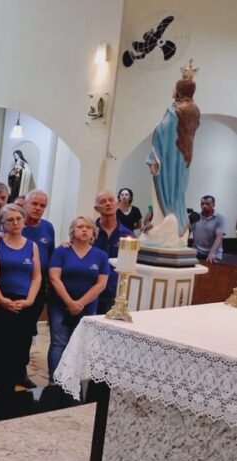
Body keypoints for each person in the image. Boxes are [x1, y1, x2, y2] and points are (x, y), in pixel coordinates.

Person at [0, 204, 41, 397]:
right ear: (2, 223)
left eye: (19, 219)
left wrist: (29, 300)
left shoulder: (32, 246)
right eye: (10, 219)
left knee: (18, 346)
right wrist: (1, 298)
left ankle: (8, 384)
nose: (15, 223)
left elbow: (36, 276)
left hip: (23, 302)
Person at [143, 64, 201, 246]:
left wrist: (154, 157)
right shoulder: (194, 111)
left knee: (165, 189)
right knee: (178, 192)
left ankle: (164, 224)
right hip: (182, 159)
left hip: (167, 160)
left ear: (178, 90)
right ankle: (176, 225)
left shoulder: (176, 111)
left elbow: (162, 132)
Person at [47, 216, 109, 382]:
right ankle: (55, 379)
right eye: (80, 226)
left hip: (87, 307)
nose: (84, 230)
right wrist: (69, 302)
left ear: (93, 232)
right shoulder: (61, 251)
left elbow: (101, 284)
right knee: (58, 343)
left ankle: (73, 378)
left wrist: (80, 303)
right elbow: (54, 278)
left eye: (88, 227)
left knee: (80, 343)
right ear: (72, 231)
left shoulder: (100, 256)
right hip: (60, 305)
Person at [19, 189, 54, 389]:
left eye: (42, 206)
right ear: (25, 204)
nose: (38, 209)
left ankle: (21, 371)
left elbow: (50, 255)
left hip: (38, 288)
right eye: (35, 204)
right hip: (13, 287)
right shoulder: (16, 224)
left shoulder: (48, 228)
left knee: (27, 332)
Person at [93, 191, 134, 314]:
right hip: (91, 288)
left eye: (111, 200)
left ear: (117, 205)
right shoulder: (90, 231)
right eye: (103, 201)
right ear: (96, 208)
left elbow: (130, 265)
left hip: (115, 290)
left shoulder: (127, 235)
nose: (108, 204)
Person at [192, 195, 225, 263]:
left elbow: (219, 237)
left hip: (214, 253)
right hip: (197, 251)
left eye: (207, 204)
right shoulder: (196, 216)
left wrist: (211, 253)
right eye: (202, 204)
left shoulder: (220, 217)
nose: (204, 206)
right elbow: (187, 231)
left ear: (213, 205)